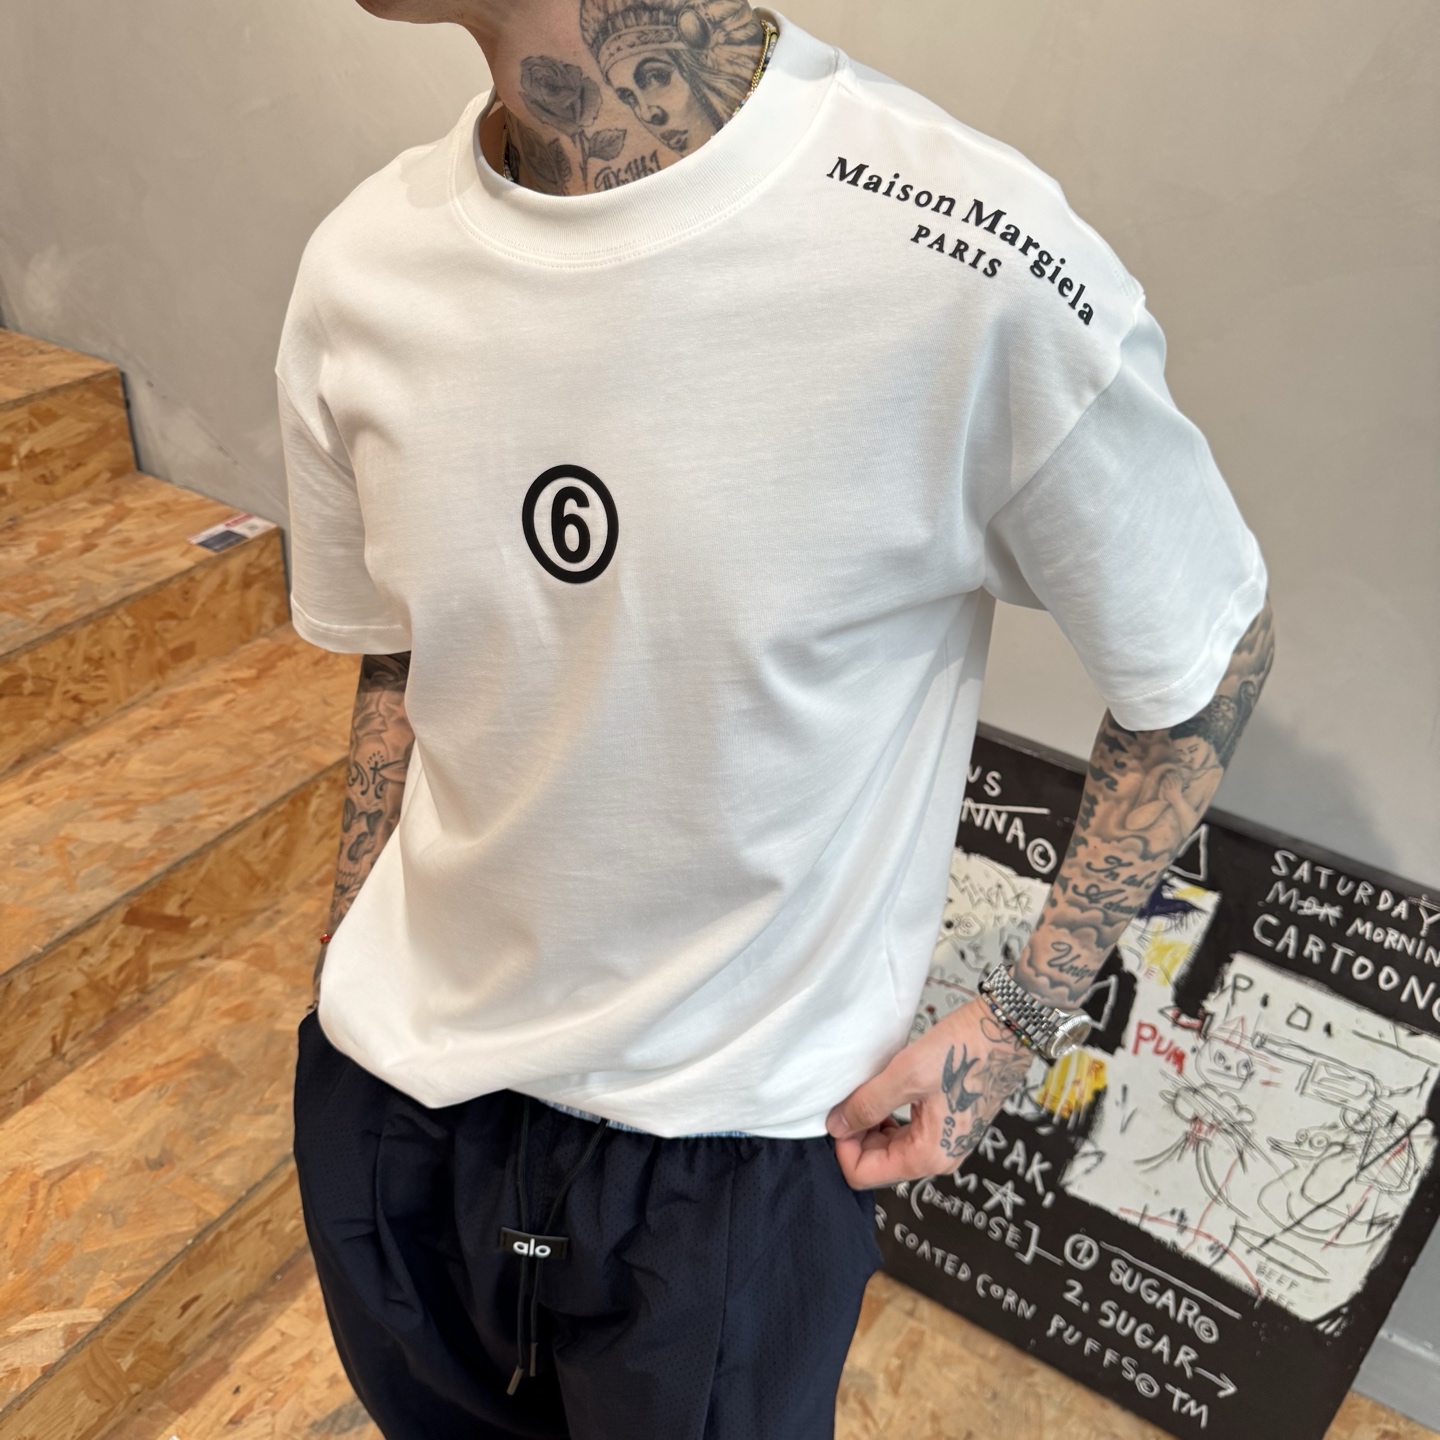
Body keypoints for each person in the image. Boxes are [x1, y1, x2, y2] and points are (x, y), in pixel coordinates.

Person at [277, 1, 1275, 1436]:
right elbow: (396, 646)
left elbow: (1204, 662)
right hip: (393, 1102)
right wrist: (345, 940)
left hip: (720, 1168)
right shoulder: (363, 265)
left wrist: (1020, 1018)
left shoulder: (965, 252)